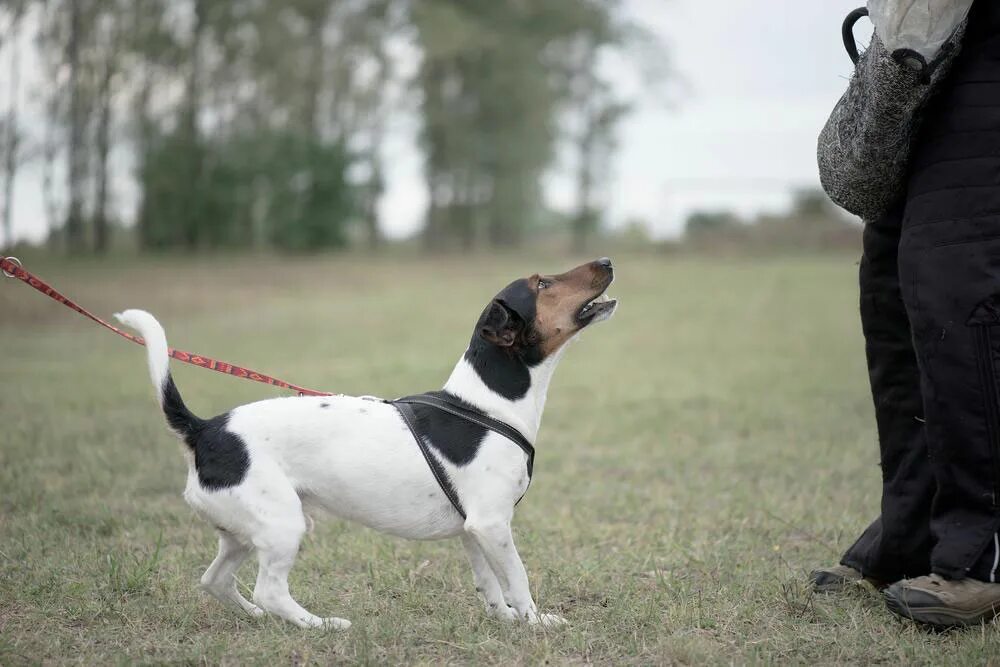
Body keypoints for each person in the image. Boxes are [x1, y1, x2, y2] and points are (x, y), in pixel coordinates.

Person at [813, 0, 1000, 627]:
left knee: (960, 280)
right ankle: (912, 534)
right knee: (893, 286)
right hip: (936, 37)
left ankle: (982, 552)